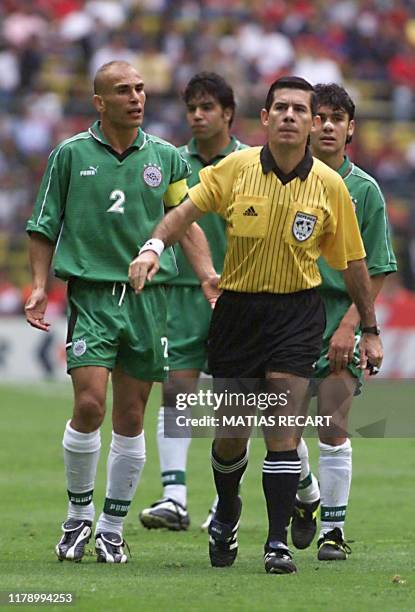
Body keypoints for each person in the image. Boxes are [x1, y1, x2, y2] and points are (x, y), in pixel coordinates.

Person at [129, 76, 383, 575]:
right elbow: (185, 213)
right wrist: (153, 247)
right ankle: (226, 510)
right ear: (264, 119)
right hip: (238, 312)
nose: (290, 116)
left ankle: (275, 542)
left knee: (283, 428)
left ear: (311, 123)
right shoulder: (236, 168)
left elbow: (355, 263)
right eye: (281, 108)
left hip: (296, 312)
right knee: (231, 436)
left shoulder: (332, 188)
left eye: (300, 110)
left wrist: (368, 329)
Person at [24, 60, 214, 564]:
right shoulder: (69, 154)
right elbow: (43, 226)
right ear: (99, 102)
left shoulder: (167, 158)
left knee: (131, 416)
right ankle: (78, 516)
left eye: (141, 89)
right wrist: (41, 286)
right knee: (89, 405)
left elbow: (185, 222)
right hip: (92, 295)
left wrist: (207, 275)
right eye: (123, 91)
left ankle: (110, 525)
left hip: (150, 298)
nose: (136, 97)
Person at [290, 83, 397, 560]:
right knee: (282, 431)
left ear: (350, 128)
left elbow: (378, 267)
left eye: (337, 118)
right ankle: (307, 493)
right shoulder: (285, 181)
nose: (328, 125)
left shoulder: (364, 190)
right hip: (287, 317)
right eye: (321, 117)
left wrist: (353, 325)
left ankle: (333, 532)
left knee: (332, 425)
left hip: (338, 318)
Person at [139, 72, 247, 532]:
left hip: (241, 294)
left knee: (235, 401)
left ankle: (226, 501)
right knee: (176, 389)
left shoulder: (251, 162)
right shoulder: (171, 163)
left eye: (207, 107)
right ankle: (174, 497)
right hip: (184, 292)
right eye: (192, 108)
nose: (198, 116)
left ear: (228, 113)